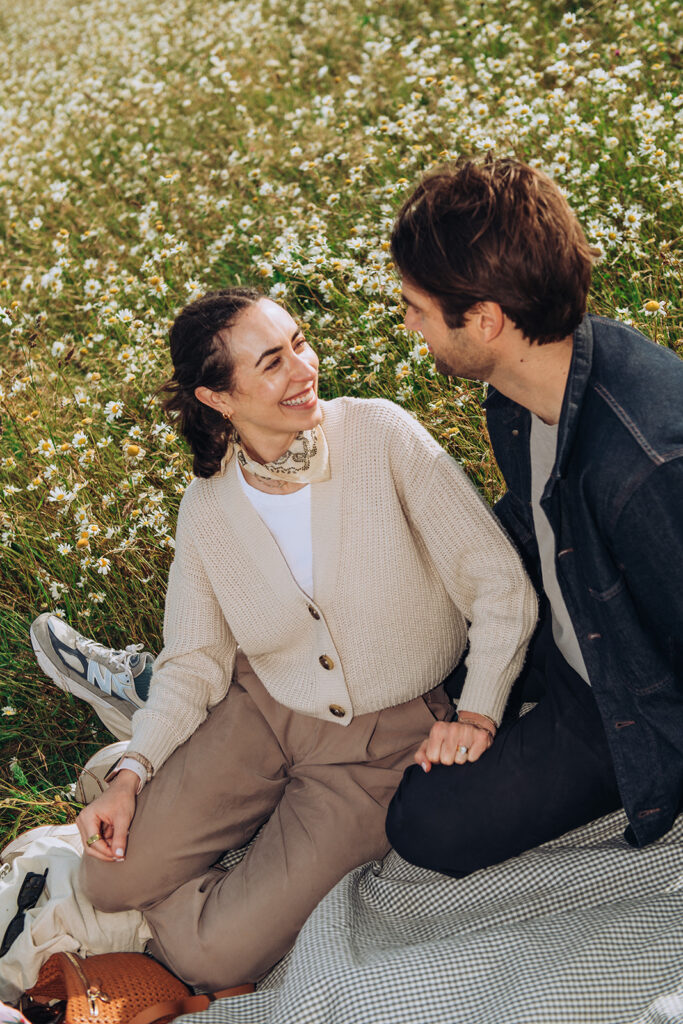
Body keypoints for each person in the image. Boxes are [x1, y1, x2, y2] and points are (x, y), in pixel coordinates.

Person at [30, 287, 537, 989]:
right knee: (108, 882)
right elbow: (195, 661)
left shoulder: (380, 436)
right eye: (272, 362)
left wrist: (477, 709)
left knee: (210, 960)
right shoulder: (208, 505)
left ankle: (217, 886)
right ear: (218, 399)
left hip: (374, 748)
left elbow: (498, 584)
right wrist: (130, 776)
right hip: (259, 711)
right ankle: (138, 752)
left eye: (299, 342)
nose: (305, 368)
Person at [385, 157, 683, 876]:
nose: (408, 322)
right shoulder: (522, 392)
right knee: (386, 636)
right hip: (563, 613)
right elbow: (533, 528)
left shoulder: (644, 469)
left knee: (424, 822)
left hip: (615, 690)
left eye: (415, 306)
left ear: (485, 321)